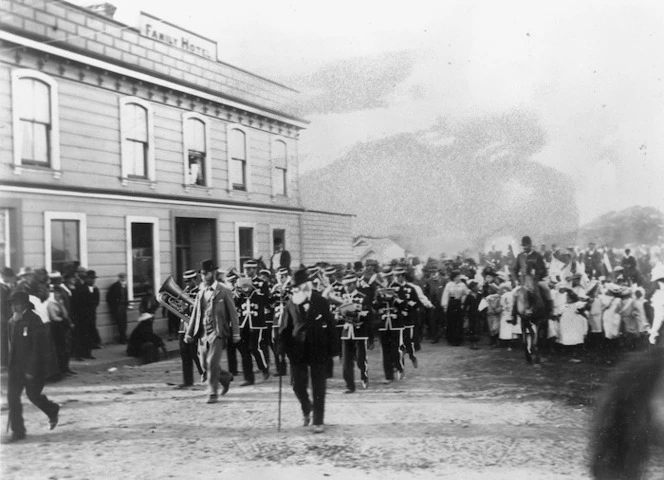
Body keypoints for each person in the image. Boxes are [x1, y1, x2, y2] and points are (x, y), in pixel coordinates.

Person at [278, 269, 338, 434]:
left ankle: (318, 421)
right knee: (297, 385)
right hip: (297, 349)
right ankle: (307, 407)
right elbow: (284, 328)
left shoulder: (320, 301)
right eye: (293, 287)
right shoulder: (290, 303)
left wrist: (334, 350)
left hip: (318, 349)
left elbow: (331, 325)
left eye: (297, 287)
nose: (294, 290)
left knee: (318, 386)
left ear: (306, 286)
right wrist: (281, 350)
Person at [6, 291, 60, 442]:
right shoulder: (12, 322)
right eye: (11, 304)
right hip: (16, 368)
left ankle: (52, 409)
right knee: (12, 399)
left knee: (33, 396)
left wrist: (31, 369)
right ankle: (18, 432)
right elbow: (12, 346)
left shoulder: (34, 320)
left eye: (15, 304)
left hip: (32, 368)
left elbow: (38, 348)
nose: (13, 307)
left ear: (23, 304)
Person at [185, 259, 240, 404]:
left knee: (212, 362)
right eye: (202, 274)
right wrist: (189, 333)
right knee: (204, 364)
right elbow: (196, 314)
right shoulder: (200, 293)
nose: (203, 277)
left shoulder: (224, 291)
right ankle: (225, 377)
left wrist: (236, 333)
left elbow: (233, 314)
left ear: (214, 273)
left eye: (206, 274)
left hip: (218, 332)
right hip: (203, 333)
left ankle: (213, 393)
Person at [338, 273, 371, 393]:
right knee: (346, 361)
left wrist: (356, 314)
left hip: (359, 332)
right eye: (345, 285)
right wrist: (339, 315)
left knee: (360, 358)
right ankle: (349, 386)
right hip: (346, 332)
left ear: (354, 285)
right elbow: (336, 313)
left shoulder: (363, 297)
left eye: (348, 285)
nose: (346, 288)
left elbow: (367, 314)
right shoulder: (341, 297)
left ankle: (364, 375)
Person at [235, 277, 270, 386]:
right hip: (244, 325)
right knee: (244, 351)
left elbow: (266, 300)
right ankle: (249, 378)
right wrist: (237, 294)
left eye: (246, 287)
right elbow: (235, 305)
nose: (244, 290)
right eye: (242, 288)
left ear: (251, 286)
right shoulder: (240, 297)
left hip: (256, 325)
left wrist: (255, 292)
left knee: (254, 348)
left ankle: (264, 367)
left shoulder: (258, 295)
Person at [177, 269, 202, 388]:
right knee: (184, 353)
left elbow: (199, 310)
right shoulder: (185, 292)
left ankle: (206, 375)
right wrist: (180, 308)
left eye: (189, 281)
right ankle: (188, 381)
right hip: (183, 326)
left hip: (194, 327)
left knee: (195, 353)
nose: (187, 284)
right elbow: (181, 309)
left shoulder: (199, 292)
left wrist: (186, 309)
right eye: (185, 281)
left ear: (194, 280)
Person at [441, 270, 469, 346]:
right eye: (457, 277)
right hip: (451, 303)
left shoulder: (462, 285)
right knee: (451, 321)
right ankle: (451, 339)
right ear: (453, 277)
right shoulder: (449, 284)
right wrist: (445, 306)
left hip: (459, 303)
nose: (458, 278)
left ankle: (458, 339)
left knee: (459, 321)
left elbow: (466, 294)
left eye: (459, 276)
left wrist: (463, 302)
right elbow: (445, 295)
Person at [106, 273, 129, 344]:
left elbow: (126, 296)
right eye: (122, 277)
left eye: (124, 277)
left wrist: (126, 304)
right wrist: (114, 306)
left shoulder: (125, 286)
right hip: (118, 307)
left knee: (124, 323)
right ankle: (122, 339)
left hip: (123, 307)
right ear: (119, 278)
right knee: (120, 323)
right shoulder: (115, 286)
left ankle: (124, 337)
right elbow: (109, 297)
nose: (123, 279)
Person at [1, 267, 15, 369]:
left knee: (6, 340)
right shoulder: (1, 287)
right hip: (2, 317)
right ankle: (3, 362)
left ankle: (5, 361)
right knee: (2, 340)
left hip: (7, 316)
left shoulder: (6, 286)